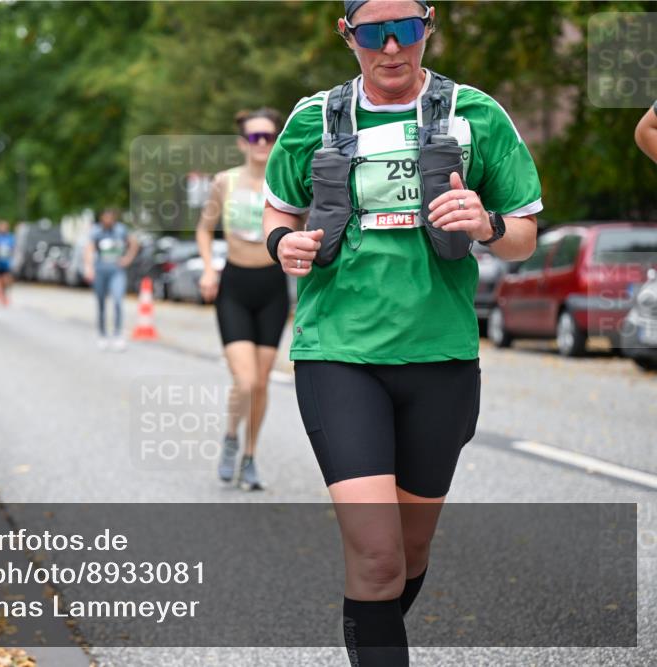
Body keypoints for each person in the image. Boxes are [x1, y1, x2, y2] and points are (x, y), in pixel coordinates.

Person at [262, 1, 540, 664]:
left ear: (429, 25)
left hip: (440, 356)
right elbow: (277, 208)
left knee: (409, 553)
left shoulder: (477, 116)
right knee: (379, 553)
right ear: (347, 36)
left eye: (407, 30)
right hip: (339, 353)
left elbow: (526, 235)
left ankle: (369, 621)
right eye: (373, 34)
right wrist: (283, 243)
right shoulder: (314, 119)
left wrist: (487, 224)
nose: (392, 48)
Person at [197, 108, 289, 491]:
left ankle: (250, 456)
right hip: (234, 286)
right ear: (242, 143)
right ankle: (231, 437)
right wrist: (207, 268)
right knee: (246, 381)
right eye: (255, 138)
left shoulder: (285, 182)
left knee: (263, 382)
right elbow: (204, 229)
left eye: (269, 136)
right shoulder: (225, 182)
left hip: (272, 288)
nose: (263, 143)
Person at [83, 208, 138, 351]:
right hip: (100, 271)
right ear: (101, 218)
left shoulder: (121, 230)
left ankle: (118, 334)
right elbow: (89, 249)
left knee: (118, 300)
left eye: (111, 218)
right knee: (101, 303)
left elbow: (133, 243)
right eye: (105, 218)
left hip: (116, 271)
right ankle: (102, 334)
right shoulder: (96, 232)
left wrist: (128, 258)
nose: (108, 220)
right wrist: (89, 268)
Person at [0, 221, 15, 307]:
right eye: (1, 227)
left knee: (6, 280)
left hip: (7, 262)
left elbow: (13, 248)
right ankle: (1, 295)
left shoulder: (10, 237)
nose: (3, 229)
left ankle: (4, 294)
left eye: (4, 227)